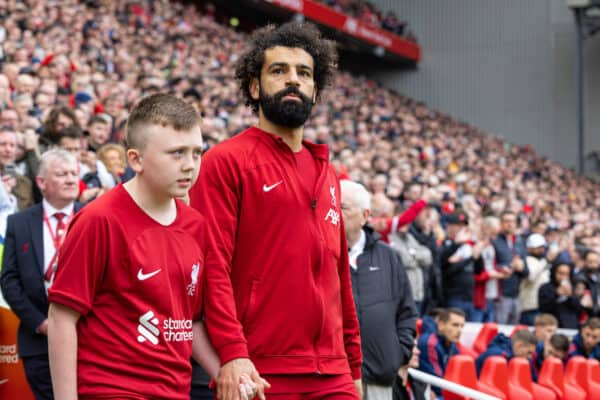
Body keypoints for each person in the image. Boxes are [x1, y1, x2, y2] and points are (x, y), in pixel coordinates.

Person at [189, 21, 362, 400]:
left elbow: (340, 278)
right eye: (279, 70)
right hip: (260, 369)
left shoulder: (329, 174)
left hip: (333, 373)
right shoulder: (224, 162)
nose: (293, 80)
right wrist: (233, 354)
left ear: (315, 90)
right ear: (255, 86)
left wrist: (353, 364)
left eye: (304, 73)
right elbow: (213, 266)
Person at [46, 94, 254, 399]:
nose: (189, 165)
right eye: (176, 153)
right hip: (112, 390)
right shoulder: (99, 220)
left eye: (197, 153)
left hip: (176, 391)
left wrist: (226, 373)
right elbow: (62, 317)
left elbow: (186, 323)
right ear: (135, 159)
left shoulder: (196, 225)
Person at [0, 149, 81, 400]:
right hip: (37, 341)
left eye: (73, 174)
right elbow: (9, 280)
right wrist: (41, 323)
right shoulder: (19, 223)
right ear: (41, 182)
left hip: (87, 339)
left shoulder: (95, 217)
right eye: (61, 174)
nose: (70, 179)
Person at [340, 180, 417, 399]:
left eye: (343, 208)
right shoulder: (320, 253)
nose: (334, 213)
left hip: (379, 380)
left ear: (365, 216)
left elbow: (406, 311)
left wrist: (399, 354)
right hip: (334, 380)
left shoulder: (388, 256)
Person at [417, 308, 465, 398]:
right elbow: (437, 384)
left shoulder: (452, 345)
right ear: (441, 325)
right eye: (455, 325)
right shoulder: (429, 343)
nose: (460, 330)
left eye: (462, 326)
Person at [492, 210, 529, 325]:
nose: (510, 224)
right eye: (506, 221)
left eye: (512, 221)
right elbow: (489, 265)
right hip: (500, 294)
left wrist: (521, 268)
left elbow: (526, 272)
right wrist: (508, 266)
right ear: (501, 224)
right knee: (500, 329)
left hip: (516, 295)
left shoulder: (519, 242)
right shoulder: (495, 241)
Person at [390, 220, 432, 315]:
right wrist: (416, 255)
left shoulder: (409, 237)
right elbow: (406, 260)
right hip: (402, 295)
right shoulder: (390, 238)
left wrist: (412, 253)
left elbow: (428, 256)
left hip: (417, 293)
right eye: (402, 221)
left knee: (416, 325)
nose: (405, 225)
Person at [440, 212, 476, 320]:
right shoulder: (445, 244)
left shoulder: (468, 246)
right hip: (453, 295)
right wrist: (469, 259)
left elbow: (477, 270)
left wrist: (477, 256)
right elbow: (446, 271)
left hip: (469, 296)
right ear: (449, 226)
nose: (461, 228)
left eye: (463, 225)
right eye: (458, 225)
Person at [538, 262, 585, 329]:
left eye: (566, 274)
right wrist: (556, 294)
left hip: (571, 326)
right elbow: (543, 308)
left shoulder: (573, 288)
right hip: (551, 326)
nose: (563, 277)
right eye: (560, 273)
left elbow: (579, 309)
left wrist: (571, 296)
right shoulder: (545, 288)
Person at [519, 233, 551, 325]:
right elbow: (531, 276)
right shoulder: (527, 260)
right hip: (530, 307)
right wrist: (546, 261)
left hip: (542, 306)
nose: (541, 249)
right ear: (529, 248)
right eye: (537, 247)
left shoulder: (542, 261)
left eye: (542, 247)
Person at [575, 250, 600, 317]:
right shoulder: (580, 277)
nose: (593, 264)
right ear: (585, 262)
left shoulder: (598, 275)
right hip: (586, 315)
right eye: (590, 262)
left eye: (595, 261)